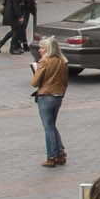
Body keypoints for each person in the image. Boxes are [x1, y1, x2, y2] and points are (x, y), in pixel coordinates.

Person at [32, 36, 69, 167]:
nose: (39, 50)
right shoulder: (62, 61)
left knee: (48, 127)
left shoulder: (44, 62)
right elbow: (65, 81)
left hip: (46, 95)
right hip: (58, 95)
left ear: (48, 49)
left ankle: (51, 156)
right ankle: (60, 153)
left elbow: (35, 82)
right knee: (52, 126)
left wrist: (36, 72)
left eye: (42, 47)